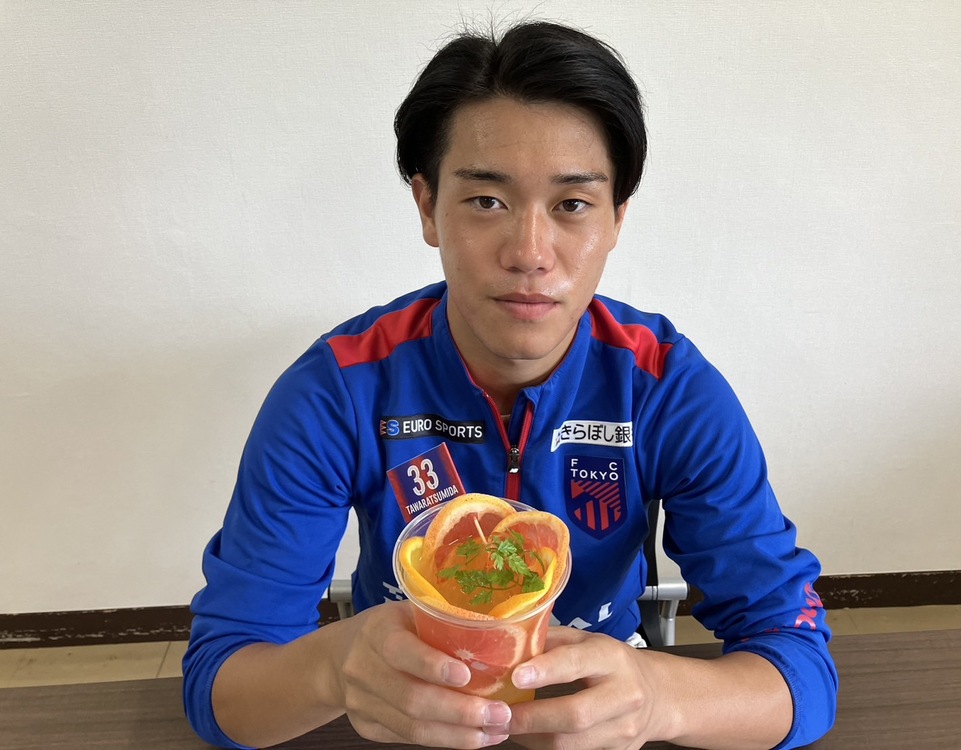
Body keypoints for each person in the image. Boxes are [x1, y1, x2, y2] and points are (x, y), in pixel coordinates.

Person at [183, 19, 837, 750]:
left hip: (605, 726)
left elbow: (802, 672)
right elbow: (221, 686)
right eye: (487, 201)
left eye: (572, 204)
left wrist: (658, 698)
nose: (529, 253)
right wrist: (332, 670)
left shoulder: (667, 389)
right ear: (428, 207)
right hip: (403, 721)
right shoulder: (338, 390)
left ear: (616, 218)